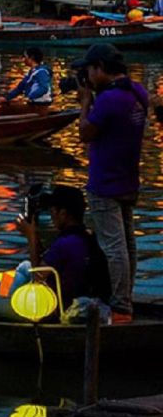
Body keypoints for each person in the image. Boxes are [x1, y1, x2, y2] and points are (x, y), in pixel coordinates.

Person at [75, 44, 149, 324]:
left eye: (90, 70)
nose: (89, 76)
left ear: (101, 68)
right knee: (128, 244)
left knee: (114, 248)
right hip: (129, 179)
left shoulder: (108, 100)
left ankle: (120, 308)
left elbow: (84, 133)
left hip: (105, 183)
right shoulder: (137, 92)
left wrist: (85, 102)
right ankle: (125, 299)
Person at [0, 186, 111, 321]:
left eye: (53, 211)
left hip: (53, 310)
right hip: (74, 297)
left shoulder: (64, 243)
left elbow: (37, 277)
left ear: (63, 214)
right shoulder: (86, 236)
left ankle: (12, 305)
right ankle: (10, 301)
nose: (51, 216)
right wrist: (34, 234)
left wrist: (31, 236)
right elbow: (46, 260)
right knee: (25, 266)